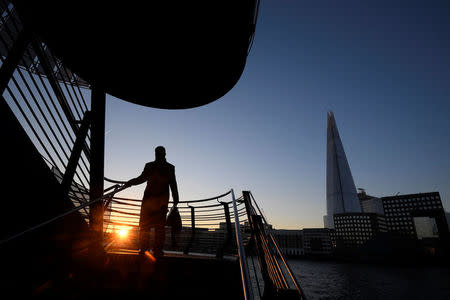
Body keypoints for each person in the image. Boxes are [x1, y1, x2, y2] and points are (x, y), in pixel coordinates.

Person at [124, 146, 179, 257]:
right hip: (159, 202)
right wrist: (176, 200)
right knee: (156, 228)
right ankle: (155, 250)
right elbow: (173, 185)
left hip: (151, 202)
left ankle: (145, 249)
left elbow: (142, 179)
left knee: (148, 227)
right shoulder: (169, 167)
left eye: (158, 153)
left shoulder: (151, 166)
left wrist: (131, 182)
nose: (158, 155)